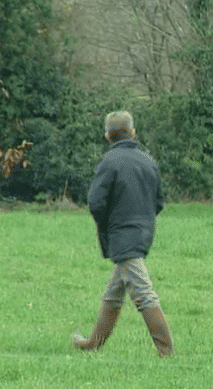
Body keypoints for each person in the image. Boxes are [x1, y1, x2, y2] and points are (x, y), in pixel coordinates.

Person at [71, 111, 174, 356]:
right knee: (114, 291)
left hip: (121, 236)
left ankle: (166, 350)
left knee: (143, 292)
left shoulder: (109, 162)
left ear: (107, 137)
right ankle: (93, 343)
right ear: (133, 133)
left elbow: (96, 203)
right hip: (144, 233)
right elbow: (159, 202)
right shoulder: (148, 161)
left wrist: (110, 226)